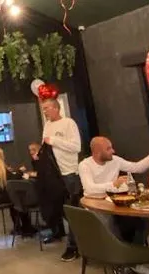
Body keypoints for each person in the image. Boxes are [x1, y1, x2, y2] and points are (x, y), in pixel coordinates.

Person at [79, 136, 149, 274]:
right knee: (110, 225)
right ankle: (121, 262)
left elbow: (137, 167)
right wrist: (113, 185)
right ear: (97, 152)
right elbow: (89, 188)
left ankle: (133, 261)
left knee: (144, 223)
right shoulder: (85, 165)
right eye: (109, 148)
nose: (113, 151)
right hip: (95, 206)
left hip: (115, 202)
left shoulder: (115, 160)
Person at [40, 98, 83, 261]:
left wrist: (54, 141)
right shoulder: (47, 125)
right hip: (53, 174)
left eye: (47, 108)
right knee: (59, 209)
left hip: (69, 173)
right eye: (43, 108)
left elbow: (76, 147)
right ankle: (61, 234)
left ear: (56, 108)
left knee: (72, 210)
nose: (44, 111)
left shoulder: (68, 123)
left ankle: (73, 246)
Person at [0, 147, 36, 236]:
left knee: (14, 198)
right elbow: (11, 178)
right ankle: (26, 227)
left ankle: (18, 227)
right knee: (18, 198)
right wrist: (20, 171)